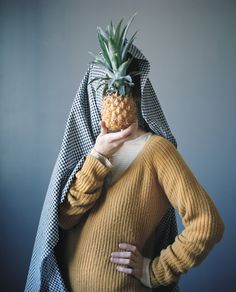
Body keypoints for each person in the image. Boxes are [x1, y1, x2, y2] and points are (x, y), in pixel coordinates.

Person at [56, 115, 224, 291]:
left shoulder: (157, 150)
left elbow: (207, 223)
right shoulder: (88, 149)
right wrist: (98, 156)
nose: (112, 95)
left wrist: (154, 272)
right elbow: (66, 219)